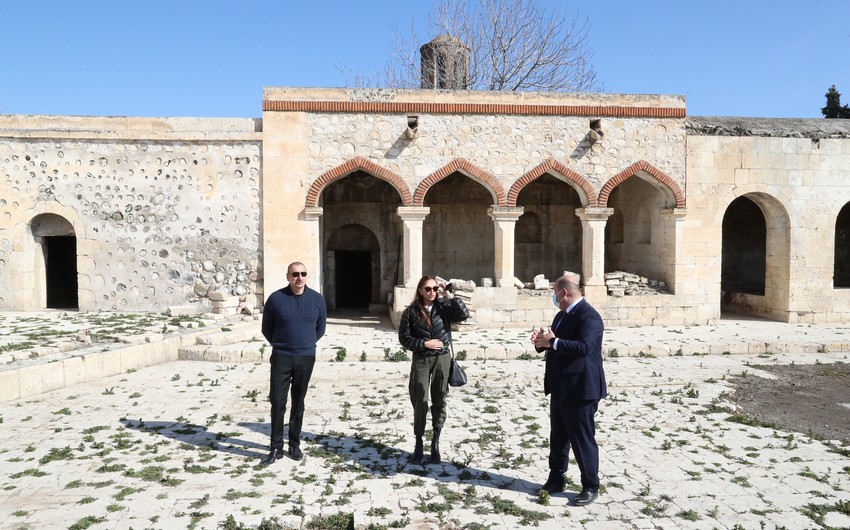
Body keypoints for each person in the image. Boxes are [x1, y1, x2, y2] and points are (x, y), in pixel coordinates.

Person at [531, 273, 606, 506]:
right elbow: (557, 343)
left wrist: (552, 341)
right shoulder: (561, 315)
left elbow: (584, 347)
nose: (553, 297)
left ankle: (591, 485)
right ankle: (556, 478)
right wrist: (542, 343)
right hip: (561, 388)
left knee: (582, 439)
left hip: (581, 390)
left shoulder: (589, 317)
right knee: (559, 438)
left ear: (564, 293)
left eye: (554, 292)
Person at [260, 261, 327, 465]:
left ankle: (294, 444)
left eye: (303, 274)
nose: (299, 278)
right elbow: (267, 328)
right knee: (278, 401)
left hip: (306, 357)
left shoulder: (316, 299)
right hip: (281, 356)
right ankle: (276, 447)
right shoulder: (276, 299)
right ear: (288, 276)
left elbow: (320, 328)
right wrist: (282, 344)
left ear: (307, 276)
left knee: (298, 401)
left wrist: (305, 344)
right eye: (295, 274)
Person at [398, 275, 470, 464]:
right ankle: (418, 443)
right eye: (428, 289)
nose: (432, 292)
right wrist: (424, 343)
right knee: (420, 400)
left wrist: (449, 295)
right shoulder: (411, 312)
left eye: (434, 289)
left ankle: (435, 441)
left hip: (442, 358)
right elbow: (404, 338)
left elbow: (463, 314)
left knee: (439, 398)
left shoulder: (444, 307)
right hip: (421, 358)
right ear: (420, 290)